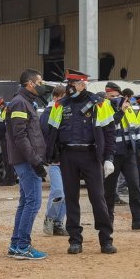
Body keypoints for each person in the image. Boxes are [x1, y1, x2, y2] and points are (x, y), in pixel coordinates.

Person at [45, 69, 117, 255]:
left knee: (97, 198)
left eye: (73, 84)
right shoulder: (59, 104)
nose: (69, 87)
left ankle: (106, 239)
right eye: (68, 84)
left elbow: (109, 133)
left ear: (82, 84)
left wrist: (108, 158)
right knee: (71, 199)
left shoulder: (100, 104)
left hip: (91, 155)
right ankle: (75, 240)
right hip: (68, 155)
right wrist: (50, 158)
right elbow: (51, 133)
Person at [5, 68, 49, 260]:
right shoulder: (20, 103)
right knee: (33, 203)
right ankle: (23, 246)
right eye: (40, 82)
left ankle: (16, 244)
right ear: (30, 84)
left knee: (25, 202)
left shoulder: (26, 102)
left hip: (27, 160)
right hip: (27, 161)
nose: (42, 85)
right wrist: (35, 161)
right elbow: (20, 136)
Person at [103, 82, 140, 230]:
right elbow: (109, 128)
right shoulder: (104, 108)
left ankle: (138, 220)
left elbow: (136, 130)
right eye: (111, 96)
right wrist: (120, 111)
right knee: (109, 190)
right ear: (106, 96)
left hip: (129, 153)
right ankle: (107, 221)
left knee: (134, 186)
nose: (114, 99)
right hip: (112, 155)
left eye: (116, 96)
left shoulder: (129, 109)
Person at [39, 85, 67, 236]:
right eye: (62, 97)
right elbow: (47, 138)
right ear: (56, 97)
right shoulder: (47, 114)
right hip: (54, 160)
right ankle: (49, 219)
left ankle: (58, 222)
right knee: (58, 192)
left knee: (66, 194)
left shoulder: (66, 112)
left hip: (67, 160)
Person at [0, 96, 16, 186]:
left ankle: (9, 180)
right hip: (4, 138)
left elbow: (6, 126)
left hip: (6, 139)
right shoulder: (3, 112)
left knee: (8, 160)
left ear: (1, 105)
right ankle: (9, 179)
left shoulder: (6, 111)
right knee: (6, 160)